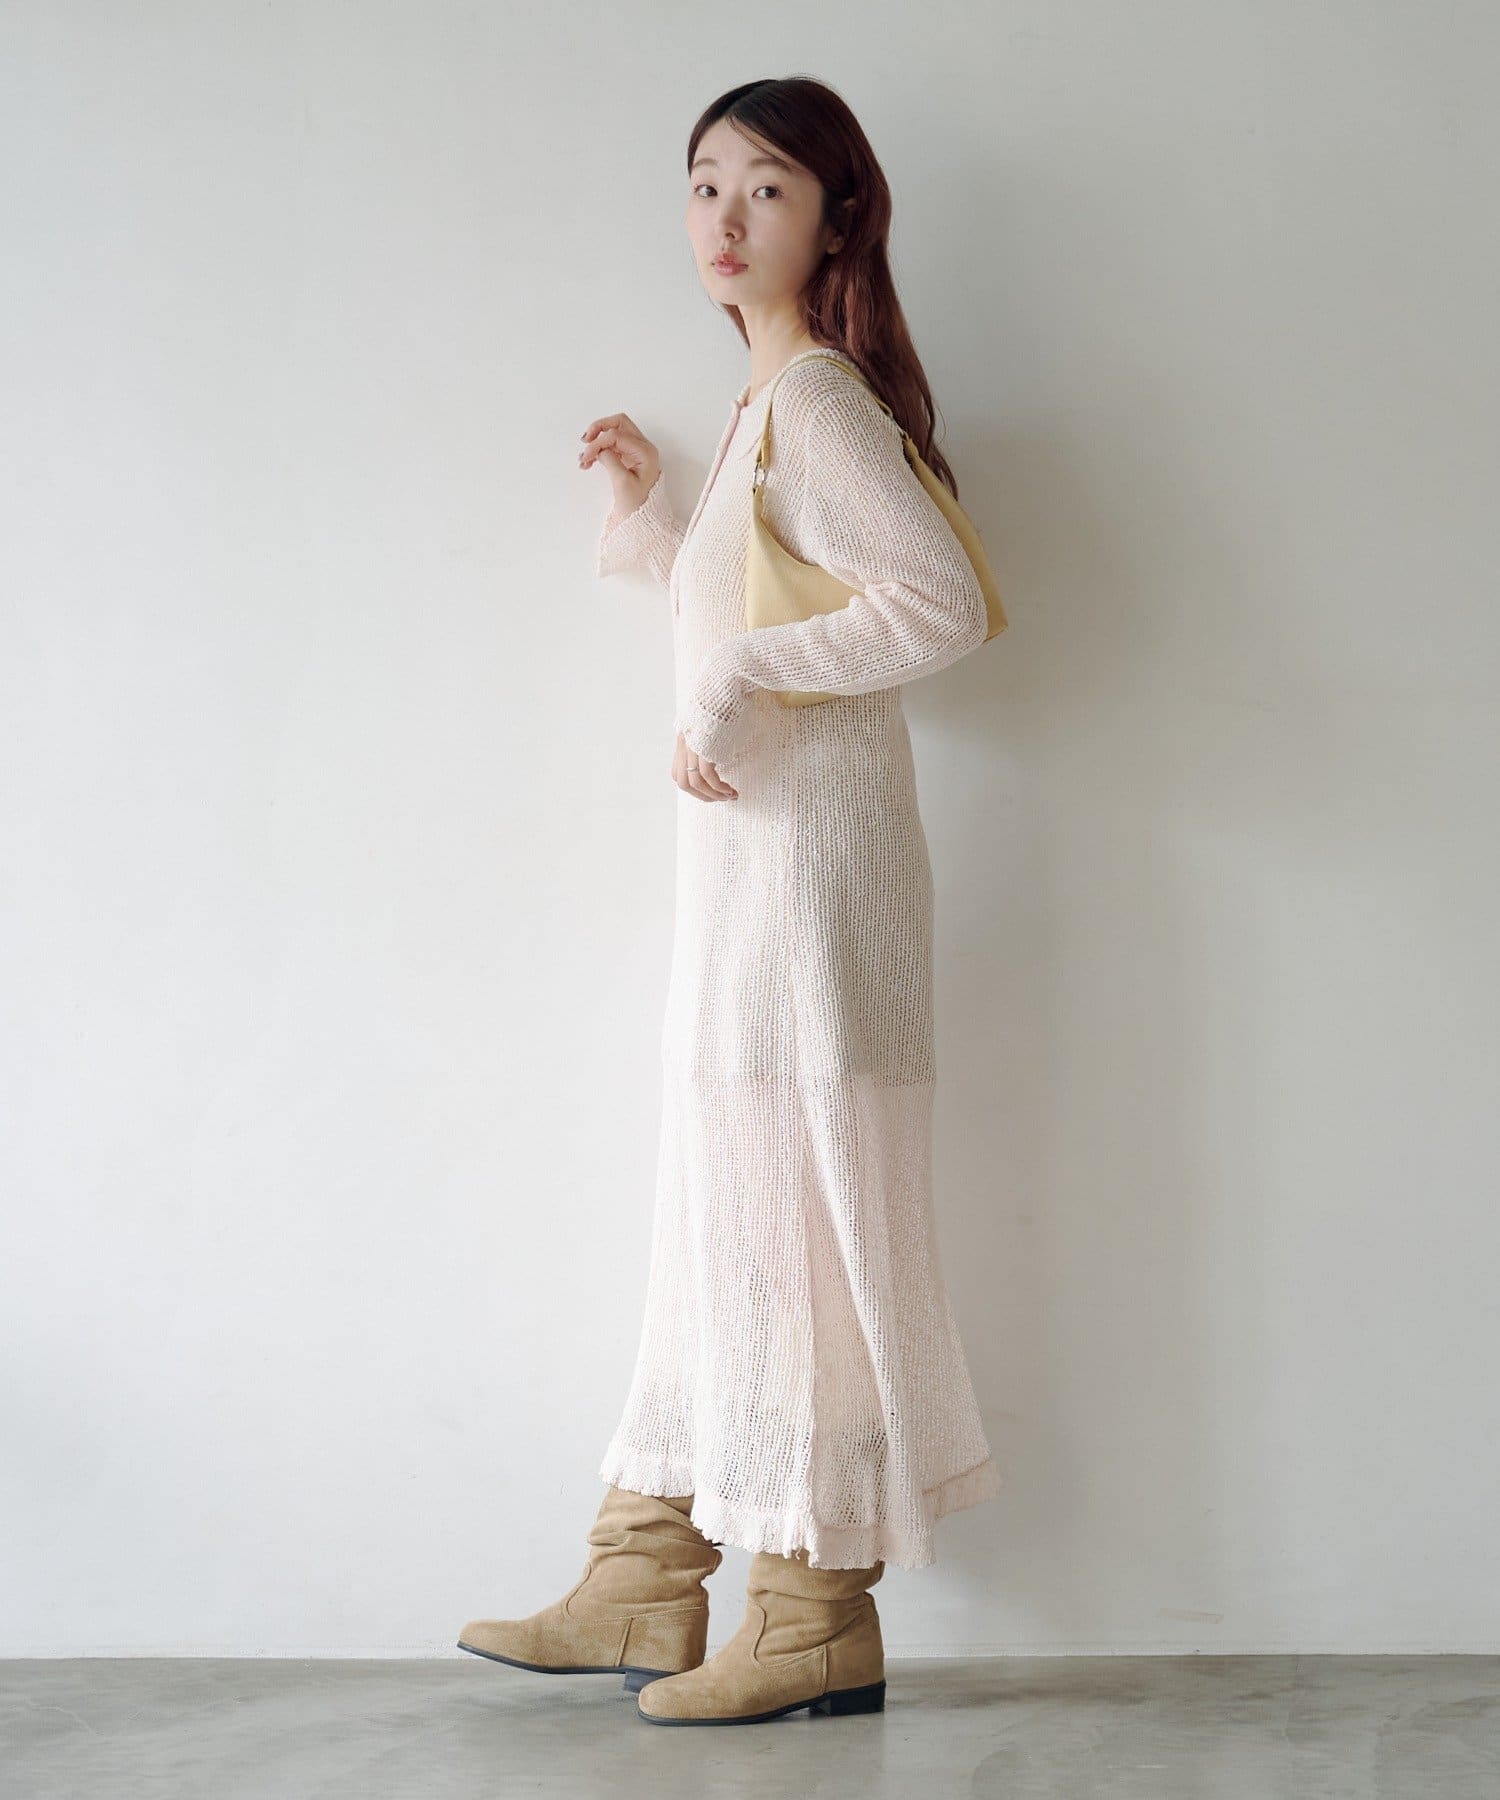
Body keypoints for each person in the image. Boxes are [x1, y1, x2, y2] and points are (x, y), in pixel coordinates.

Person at [459, 74, 1001, 1728]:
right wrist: (651, 530)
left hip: (817, 892)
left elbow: (940, 605)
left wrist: (737, 681)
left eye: (766, 188)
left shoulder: (821, 399)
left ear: (837, 219)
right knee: (735, 1221)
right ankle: (645, 1575)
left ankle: (813, 1608)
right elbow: (742, 606)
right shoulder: (771, 404)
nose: (725, 217)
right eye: (705, 185)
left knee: (798, 1232)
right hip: (754, 886)